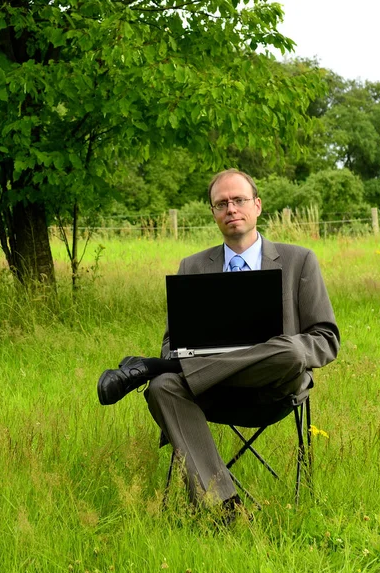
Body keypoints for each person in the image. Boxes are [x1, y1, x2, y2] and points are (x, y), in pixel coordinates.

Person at [97, 168, 340, 518]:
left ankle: (150, 368)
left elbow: (326, 339)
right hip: (211, 392)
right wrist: (177, 359)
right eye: (221, 203)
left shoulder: (299, 260)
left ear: (257, 205)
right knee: (163, 387)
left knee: (288, 349)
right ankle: (224, 507)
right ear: (213, 213)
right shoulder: (193, 266)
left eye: (239, 200)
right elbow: (173, 343)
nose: (231, 208)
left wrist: (291, 351)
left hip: (273, 387)